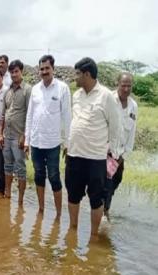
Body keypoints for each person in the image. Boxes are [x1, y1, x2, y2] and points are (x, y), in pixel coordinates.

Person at [65, 57, 121, 238]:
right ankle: (72, 230)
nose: (75, 78)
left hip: (96, 159)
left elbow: (115, 128)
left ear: (87, 74)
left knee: (96, 199)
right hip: (74, 155)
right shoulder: (77, 95)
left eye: (78, 74)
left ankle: (93, 236)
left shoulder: (106, 96)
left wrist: (112, 155)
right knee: (73, 194)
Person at [24, 55, 71, 218]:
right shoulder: (35, 89)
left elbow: (67, 117)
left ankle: (58, 214)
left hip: (53, 143)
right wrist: (27, 140)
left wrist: (67, 143)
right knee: (38, 175)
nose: (44, 72)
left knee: (54, 177)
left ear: (53, 69)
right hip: (36, 141)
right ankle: (41, 209)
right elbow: (30, 115)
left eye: (47, 68)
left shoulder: (62, 88)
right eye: (41, 69)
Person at [103, 72, 137, 218]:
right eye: (123, 85)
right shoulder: (108, 99)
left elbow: (132, 133)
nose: (126, 89)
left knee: (116, 181)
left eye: (129, 86)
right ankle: (104, 214)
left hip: (120, 155)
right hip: (106, 153)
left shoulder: (133, 106)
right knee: (107, 187)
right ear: (118, 84)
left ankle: (100, 205)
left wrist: (123, 156)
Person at [0, 59, 32, 203]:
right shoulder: (8, 91)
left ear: (21, 71)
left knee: (20, 168)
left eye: (16, 71)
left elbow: (31, 115)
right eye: (11, 72)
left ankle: (20, 200)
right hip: (7, 136)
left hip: (19, 137)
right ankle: (7, 193)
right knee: (7, 166)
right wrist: (0, 134)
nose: (14, 74)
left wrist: (25, 136)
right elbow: (3, 115)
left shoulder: (28, 90)